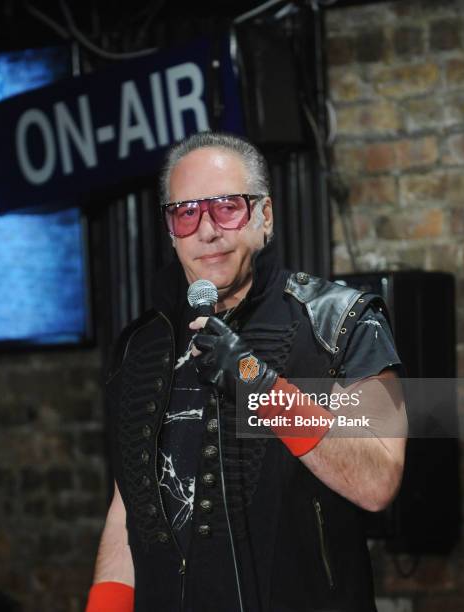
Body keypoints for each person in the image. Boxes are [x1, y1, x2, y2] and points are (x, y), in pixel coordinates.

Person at [86, 131, 407, 612]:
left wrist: (261, 385)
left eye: (227, 207)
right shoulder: (141, 345)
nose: (207, 230)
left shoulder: (341, 322)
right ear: (170, 228)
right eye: (187, 212)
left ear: (265, 216)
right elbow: (129, 510)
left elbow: (378, 481)